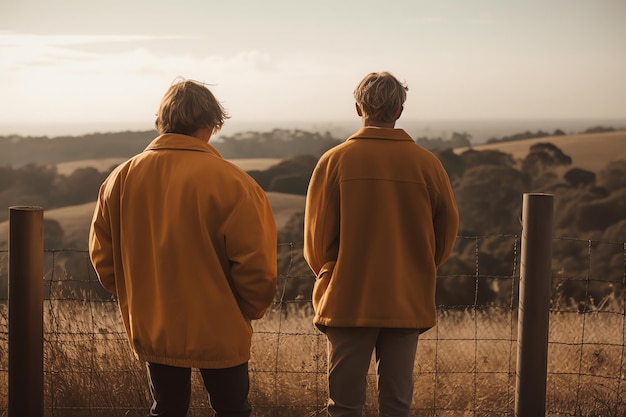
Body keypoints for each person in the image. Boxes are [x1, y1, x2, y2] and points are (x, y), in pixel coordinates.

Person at [89, 78, 277, 417]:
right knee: (232, 409)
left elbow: (103, 258)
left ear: (162, 120)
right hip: (221, 325)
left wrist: (138, 297)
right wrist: (249, 309)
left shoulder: (120, 178)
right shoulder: (234, 183)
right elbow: (256, 265)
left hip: (153, 320)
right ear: (211, 124)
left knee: (167, 408)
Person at [303, 71, 459, 417]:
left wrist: (329, 272)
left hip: (347, 297)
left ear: (358, 108)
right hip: (406, 297)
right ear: (400, 111)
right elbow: (445, 236)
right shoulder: (428, 165)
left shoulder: (333, 161)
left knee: (343, 405)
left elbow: (315, 244)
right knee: (396, 405)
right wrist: (419, 265)